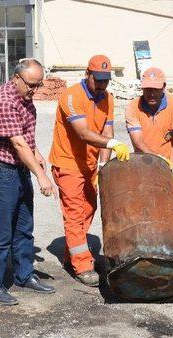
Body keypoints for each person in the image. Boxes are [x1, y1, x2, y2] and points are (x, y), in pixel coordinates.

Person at [49, 55, 130, 287]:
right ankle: (83, 265)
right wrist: (112, 145)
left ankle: (71, 256)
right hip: (68, 163)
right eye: (98, 80)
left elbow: (107, 131)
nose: (102, 85)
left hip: (89, 165)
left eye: (106, 80)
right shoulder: (72, 96)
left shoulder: (108, 98)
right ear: (88, 74)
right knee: (75, 213)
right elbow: (83, 133)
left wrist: (103, 165)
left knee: (88, 209)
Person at [0, 58, 56, 306]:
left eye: (38, 85)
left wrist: (37, 156)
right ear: (16, 78)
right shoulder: (5, 101)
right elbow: (17, 143)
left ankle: (24, 275)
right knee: (1, 233)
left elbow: (27, 139)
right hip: (2, 172)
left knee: (24, 228)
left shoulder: (25, 98)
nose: (35, 90)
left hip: (19, 169)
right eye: (31, 85)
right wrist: (41, 175)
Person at [125, 67, 173, 205]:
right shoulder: (132, 107)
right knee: (145, 212)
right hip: (144, 168)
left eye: (155, 89)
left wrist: (171, 168)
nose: (151, 93)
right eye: (147, 89)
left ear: (164, 87)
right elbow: (138, 142)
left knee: (171, 212)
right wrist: (160, 163)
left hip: (171, 168)